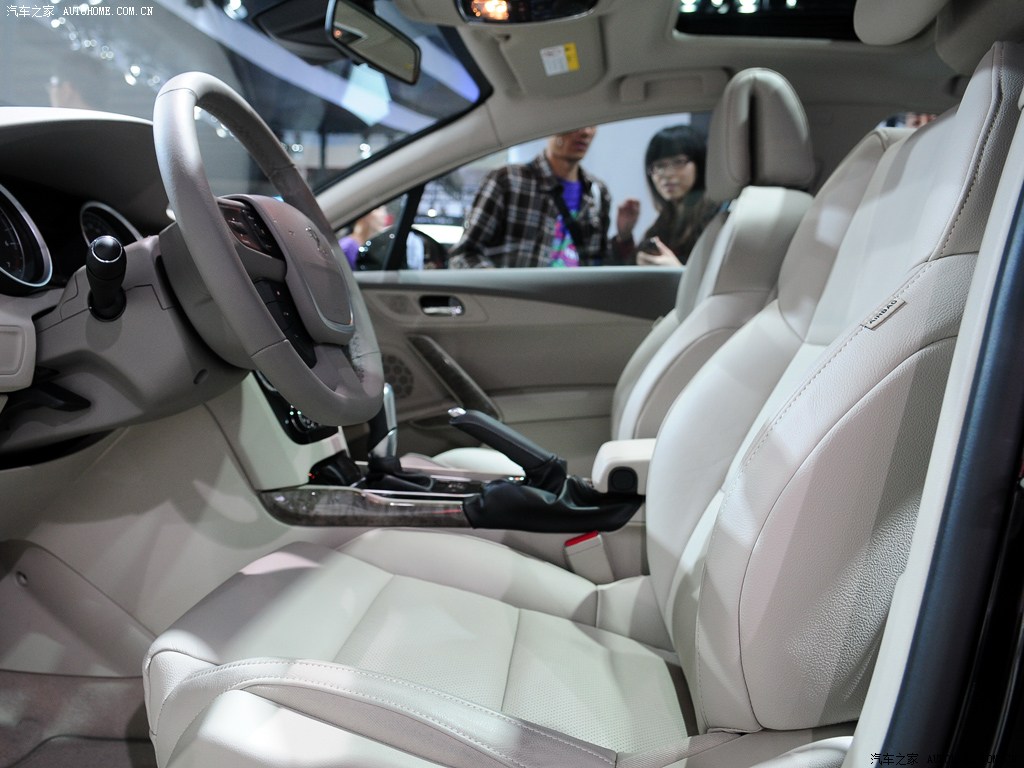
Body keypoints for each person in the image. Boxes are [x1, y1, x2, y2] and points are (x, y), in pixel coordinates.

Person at [447, 127, 614, 268]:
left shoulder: (597, 192)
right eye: (576, 123)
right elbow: (463, 255)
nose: (585, 132)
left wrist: (623, 237)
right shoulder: (508, 181)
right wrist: (502, 287)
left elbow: (598, 261)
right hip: (514, 297)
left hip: (572, 297)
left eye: (592, 124)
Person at [613, 124, 717, 266]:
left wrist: (676, 271)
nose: (667, 174)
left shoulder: (714, 217)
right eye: (659, 165)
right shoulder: (665, 220)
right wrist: (624, 236)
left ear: (700, 164)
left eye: (678, 162)